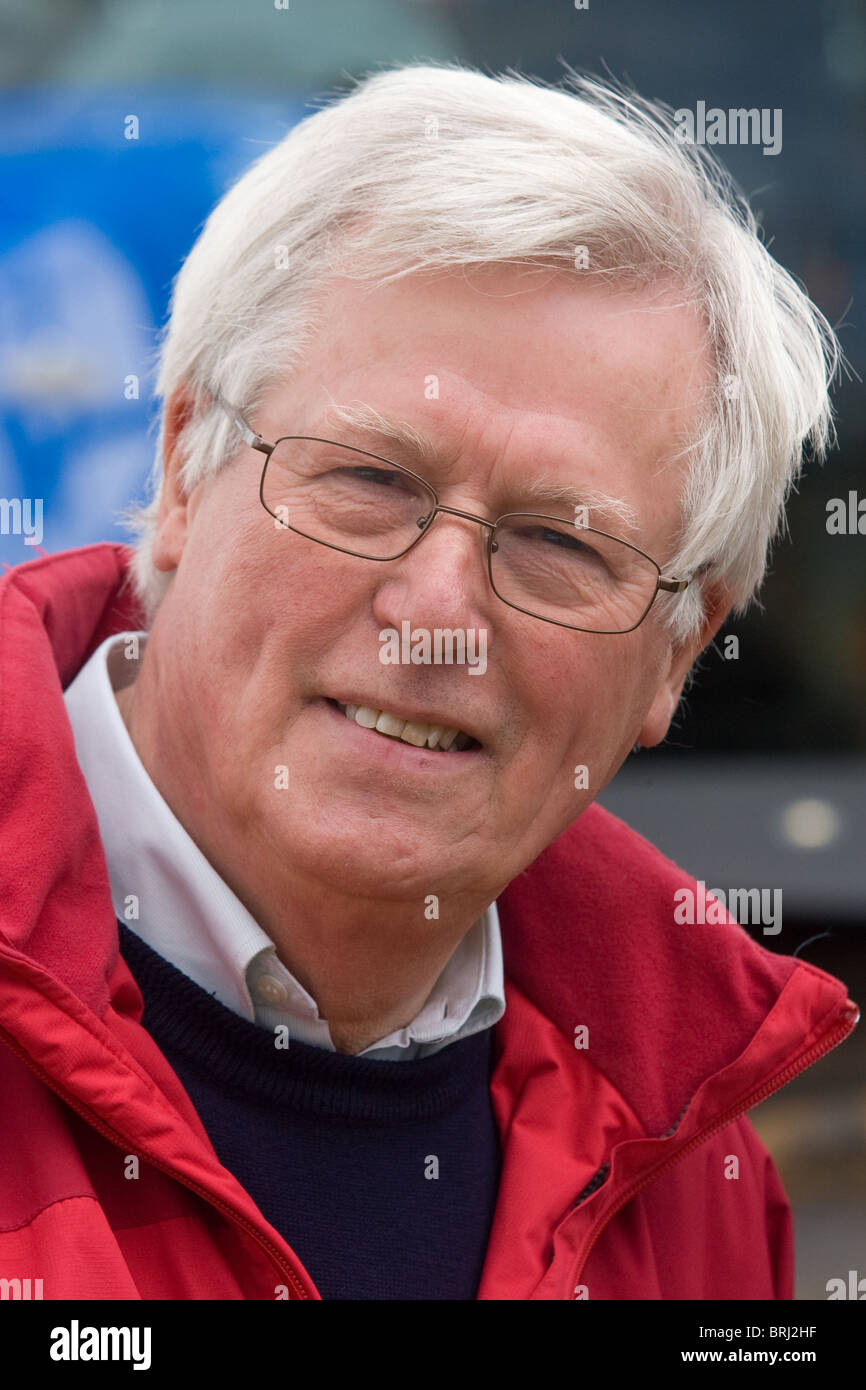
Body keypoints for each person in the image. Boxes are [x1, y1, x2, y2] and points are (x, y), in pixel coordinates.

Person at [0, 62, 857, 1302]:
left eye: (562, 543)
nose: (438, 615)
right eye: (369, 480)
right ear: (184, 471)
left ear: (677, 653)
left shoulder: (688, 1177)